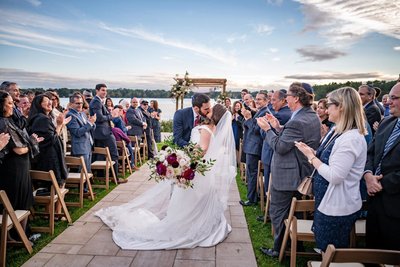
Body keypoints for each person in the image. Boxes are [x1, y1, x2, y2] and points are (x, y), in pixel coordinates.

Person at [95, 104, 236, 250]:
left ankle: (185, 226)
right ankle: (195, 222)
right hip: (203, 172)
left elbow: (202, 150)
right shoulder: (213, 129)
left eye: (212, 110)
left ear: (215, 114)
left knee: (188, 198)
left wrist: (185, 161)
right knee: (194, 199)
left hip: (196, 170)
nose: (209, 110)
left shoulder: (206, 129)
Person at [295, 87, 367, 252]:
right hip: (326, 200)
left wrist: (311, 157)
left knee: (331, 251)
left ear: (341, 106)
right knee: (324, 246)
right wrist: (311, 152)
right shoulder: (337, 131)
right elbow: (329, 160)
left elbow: (335, 176)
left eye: (329, 105)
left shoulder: (351, 139)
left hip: (337, 204)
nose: (326, 110)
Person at [256, 82, 321, 257]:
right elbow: (293, 137)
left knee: (278, 212)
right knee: (292, 212)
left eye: (289, 97)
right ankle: (293, 246)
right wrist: (278, 127)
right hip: (300, 171)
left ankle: (280, 249)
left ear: (296, 99)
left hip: (288, 174)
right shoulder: (310, 115)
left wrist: (268, 129)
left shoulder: (298, 120)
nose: (287, 100)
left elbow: (280, 147)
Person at [0, 91, 42, 238]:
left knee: (25, 200)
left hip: (21, 167)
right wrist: (32, 144)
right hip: (13, 169)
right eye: (10, 103)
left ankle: (23, 234)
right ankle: (17, 236)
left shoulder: (10, 120)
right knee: (16, 202)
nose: (13, 106)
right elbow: (18, 149)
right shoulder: (3, 123)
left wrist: (30, 142)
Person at [363, 82, 400, 250]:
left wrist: (378, 183)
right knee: (373, 252)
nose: (387, 102)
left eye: (394, 98)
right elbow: (370, 153)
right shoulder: (387, 123)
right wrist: (368, 175)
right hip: (375, 202)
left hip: (395, 203)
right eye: (389, 97)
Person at [28, 94, 69, 187]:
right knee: (55, 186)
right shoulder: (42, 119)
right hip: (49, 159)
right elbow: (51, 139)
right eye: (46, 101)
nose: (50, 102)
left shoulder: (41, 118)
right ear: (39, 104)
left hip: (46, 157)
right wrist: (59, 125)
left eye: (50, 100)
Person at [89, 84, 125, 183]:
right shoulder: (96, 102)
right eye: (102, 90)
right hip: (103, 133)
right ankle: (115, 178)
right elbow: (99, 118)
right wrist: (111, 116)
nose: (105, 92)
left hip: (100, 132)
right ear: (97, 90)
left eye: (106, 90)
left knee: (100, 155)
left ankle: (101, 177)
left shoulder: (98, 101)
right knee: (114, 154)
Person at [240, 92, 270, 206]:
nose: (257, 101)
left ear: (266, 101)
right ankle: (253, 196)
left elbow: (256, 130)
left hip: (255, 148)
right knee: (250, 173)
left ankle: (252, 199)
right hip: (251, 146)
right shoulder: (259, 111)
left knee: (252, 173)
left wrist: (248, 118)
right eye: (256, 99)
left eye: (260, 99)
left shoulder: (265, 112)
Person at [66, 93, 96, 176]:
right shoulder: (70, 115)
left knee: (87, 170)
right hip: (80, 147)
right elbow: (77, 132)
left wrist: (92, 123)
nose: (80, 105)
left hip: (88, 144)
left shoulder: (82, 113)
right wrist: (90, 123)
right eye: (77, 103)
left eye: (81, 103)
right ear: (71, 104)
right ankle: (84, 189)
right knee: (83, 172)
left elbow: (89, 128)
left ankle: (87, 188)